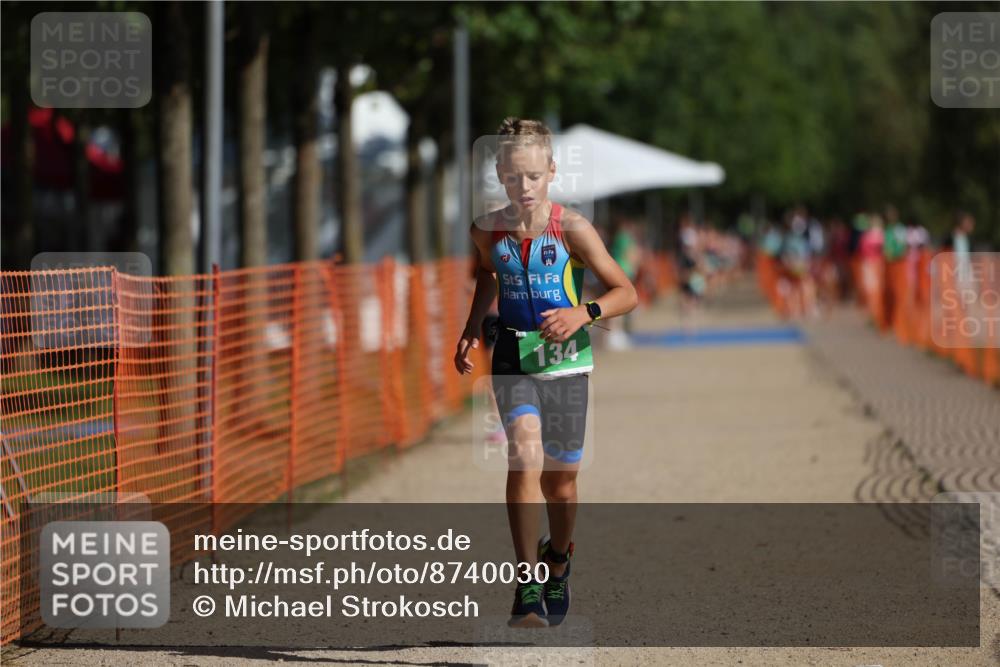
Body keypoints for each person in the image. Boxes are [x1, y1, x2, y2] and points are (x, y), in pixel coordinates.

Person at [454, 117, 638, 628]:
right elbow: (489, 278)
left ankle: (558, 558)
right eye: (514, 177)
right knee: (523, 457)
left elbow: (627, 292)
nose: (525, 187)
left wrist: (584, 314)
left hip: (566, 367)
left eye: (534, 176)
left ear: (551, 171)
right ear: (500, 174)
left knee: (561, 487)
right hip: (513, 359)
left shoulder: (573, 228)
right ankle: (528, 582)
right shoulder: (486, 229)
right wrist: (472, 328)